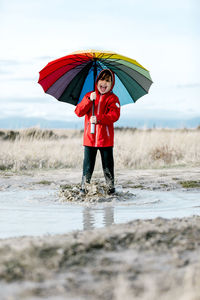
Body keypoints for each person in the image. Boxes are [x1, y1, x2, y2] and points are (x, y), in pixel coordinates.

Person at [75, 69, 120, 194]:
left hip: (106, 140)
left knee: (108, 167)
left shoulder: (113, 98)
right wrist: (89, 99)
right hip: (89, 139)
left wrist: (99, 119)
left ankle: (110, 188)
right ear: (97, 81)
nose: (104, 83)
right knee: (88, 167)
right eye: (102, 79)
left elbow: (114, 116)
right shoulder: (90, 95)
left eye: (108, 81)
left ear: (111, 84)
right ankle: (84, 188)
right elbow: (79, 112)